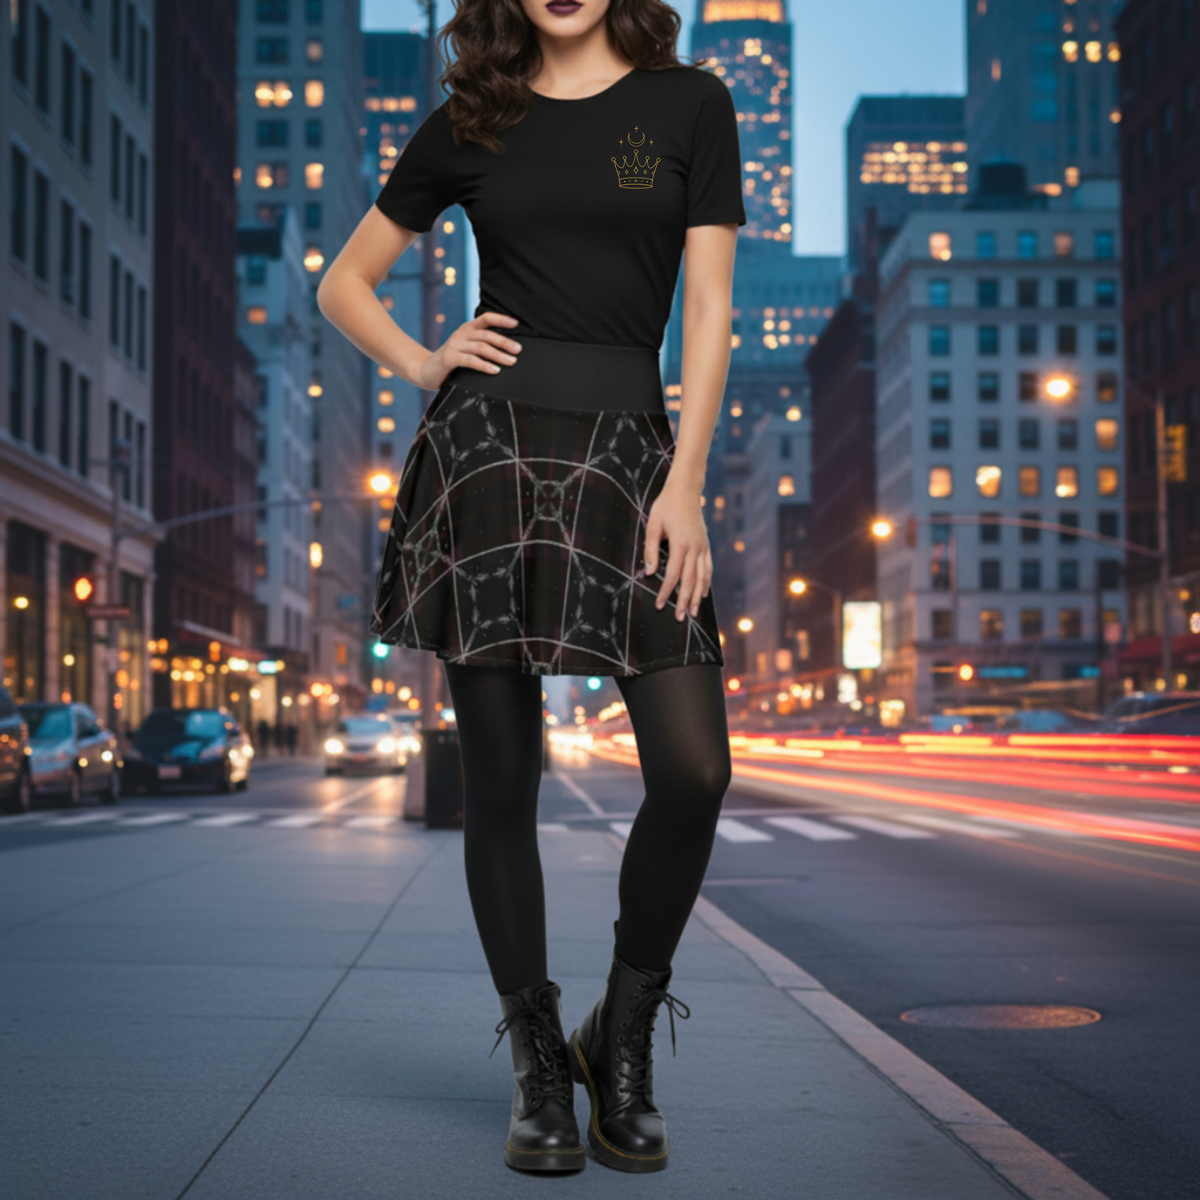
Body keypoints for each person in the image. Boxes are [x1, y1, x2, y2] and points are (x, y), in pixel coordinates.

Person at [318, 0, 740, 1176]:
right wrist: (422, 360)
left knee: (696, 770)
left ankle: (624, 1027)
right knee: (505, 777)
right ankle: (540, 1063)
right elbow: (344, 284)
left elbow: (706, 309)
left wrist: (688, 480)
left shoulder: (690, 105)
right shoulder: (471, 117)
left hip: (634, 466)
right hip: (487, 456)